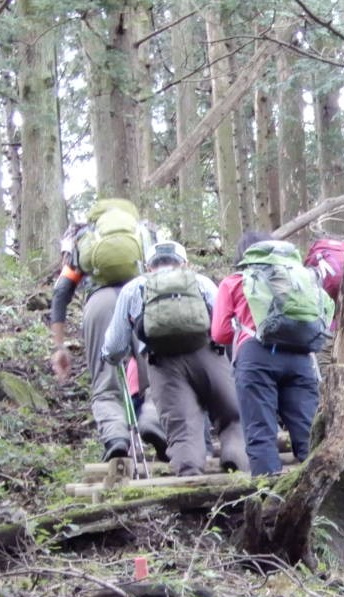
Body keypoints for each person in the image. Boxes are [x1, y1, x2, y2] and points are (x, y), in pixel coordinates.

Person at [101, 241, 247, 476]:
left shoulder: (134, 288)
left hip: (163, 364)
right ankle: (236, 465)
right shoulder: (200, 282)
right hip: (209, 356)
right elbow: (227, 325)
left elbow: (114, 345)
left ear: (148, 267)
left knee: (182, 430)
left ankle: (191, 488)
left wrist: (110, 356)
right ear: (185, 263)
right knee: (232, 417)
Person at [46, 200, 165, 462]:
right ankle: (153, 421)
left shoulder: (84, 236)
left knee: (105, 383)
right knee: (156, 373)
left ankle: (115, 439)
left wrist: (60, 346)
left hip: (100, 305)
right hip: (141, 298)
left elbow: (61, 292)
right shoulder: (145, 232)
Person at [211, 231, 333, 476]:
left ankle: (269, 499)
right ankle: (322, 492)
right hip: (300, 356)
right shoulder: (298, 278)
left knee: (260, 433)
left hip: (256, 357)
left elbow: (220, 334)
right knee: (308, 430)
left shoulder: (235, 281)